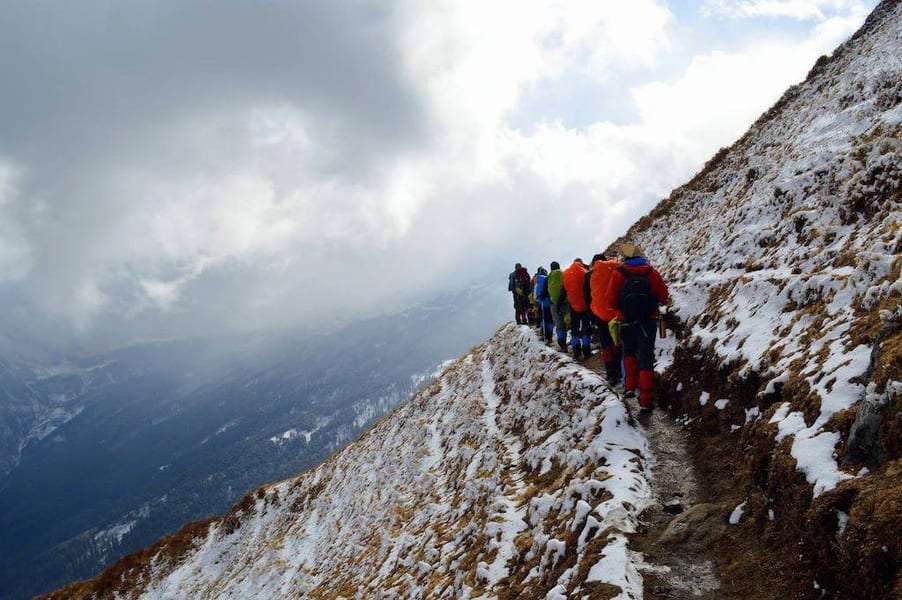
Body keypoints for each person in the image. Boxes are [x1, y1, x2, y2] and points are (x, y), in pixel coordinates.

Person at [604, 243, 669, 412]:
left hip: (626, 321)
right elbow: (664, 297)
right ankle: (646, 400)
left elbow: (609, 301)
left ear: (625, 258)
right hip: (648, 321)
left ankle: (629, 387)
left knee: (629, 353)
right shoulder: (652, 273)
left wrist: (622, 310)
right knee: (646, 358)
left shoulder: (619, 273)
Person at [587, 252, 623, 386]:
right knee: (617, 341)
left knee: (606, 344)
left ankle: (611, 374)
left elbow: (588, 298)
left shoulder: (589, 276)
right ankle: (620, 371)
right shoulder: (616, 269)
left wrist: (592, 317)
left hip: (599, 314)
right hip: (616, 312)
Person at [562, 258, 592, 358]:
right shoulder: (585, 272)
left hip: (573, 305)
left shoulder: (566, 274)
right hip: (585, 305)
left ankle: (576, 351)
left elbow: (564, 291)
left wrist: (558, 304)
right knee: (585, 327)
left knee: (574, 328)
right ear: (581, 263)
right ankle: (587, 351)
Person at [546, 261, 568, 351]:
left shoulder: (549, 277)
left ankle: (562, 345)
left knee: (559, 324)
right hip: (565, 301)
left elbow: (544, 292)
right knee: (566, 322)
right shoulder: (564, 274)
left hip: (554, 304)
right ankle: (575, 345)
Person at [533, 267, 553, 342]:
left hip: (541, 301)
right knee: (549, 319)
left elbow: (535, 291)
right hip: (550, 301)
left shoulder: (537, 279)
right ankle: (550, 336)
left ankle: (544, 335)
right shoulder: (548, 278)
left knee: (543, 318)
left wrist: (536, 299)